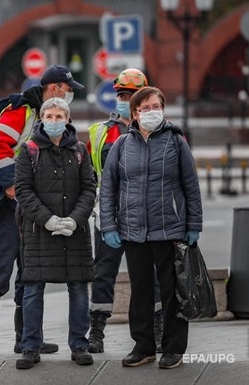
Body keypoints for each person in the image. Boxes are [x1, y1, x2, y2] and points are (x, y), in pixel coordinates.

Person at [0, 65, 84, 355]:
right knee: (3, 262)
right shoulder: (21, 110)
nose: (70, 96)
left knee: (30, 266)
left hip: (29, 201)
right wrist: (11, 186)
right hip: (10, 202)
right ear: (56, 88)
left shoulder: (44, 114)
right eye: (69, 90)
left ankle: (27, 337)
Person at [99, 86, 203, 369]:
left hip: (170, 229)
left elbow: (190, 185)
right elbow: (108, 187)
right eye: (146, 108)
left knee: (172, 291)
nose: (153, 112)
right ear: (134, 113)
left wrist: (193, 224)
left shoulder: (175, 140)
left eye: (157, 106)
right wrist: (109, 225)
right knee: (141, 291)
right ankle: (143, 346)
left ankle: (173, 348)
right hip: (133, 231)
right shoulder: (122, 144)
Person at [14, 97, 96, 369]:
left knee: (79, 287)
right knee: (33, 289)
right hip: (40, 230)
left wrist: (74, 220)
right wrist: (48, 219)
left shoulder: (80, 150)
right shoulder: (29, 150)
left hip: (75, 231)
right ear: (41, 119)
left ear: (68, 119)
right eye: (48, 116)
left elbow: (89, 188)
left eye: (59, 116)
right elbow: (23, 191)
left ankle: (80, 344)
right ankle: (30, 346)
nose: (53, 121)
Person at [85, 68, 163, 354]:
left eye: (129, 96)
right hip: (109, 214)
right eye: (121, 95)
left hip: (144, 215)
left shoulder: (159, 133)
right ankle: (97, 330)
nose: (124, 100)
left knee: (149, 274)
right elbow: (91, 175)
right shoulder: (100, 133)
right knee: (103, 272)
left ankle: (156, 326)